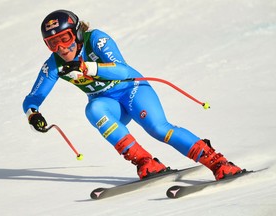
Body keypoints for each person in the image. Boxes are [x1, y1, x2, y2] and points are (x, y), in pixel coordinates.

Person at [23, 9, 243, 180]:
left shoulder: (96, 39)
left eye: (66, 38)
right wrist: (33, 114)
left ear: (78, 33)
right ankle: (145, 162)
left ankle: (218, 162)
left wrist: (87, 68)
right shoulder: (54, 65)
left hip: (132, 90)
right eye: (52, 43)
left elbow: (123, 70)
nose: (61, 48)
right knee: (93, 109)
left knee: (158, 128)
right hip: (109, 104)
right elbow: (33, 97)